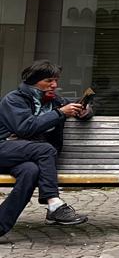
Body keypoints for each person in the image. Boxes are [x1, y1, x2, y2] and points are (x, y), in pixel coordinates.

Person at [0, 61, 91, 239]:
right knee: (45, 149)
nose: (54, 85)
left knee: (30, 171)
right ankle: (54, 203)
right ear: (33, 81)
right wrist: (60, 113)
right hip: (3, 147)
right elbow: (25, 128)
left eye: (56, 80)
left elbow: (84, 106)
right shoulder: (14, 100)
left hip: (21, 155)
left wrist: (85, 111)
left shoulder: (54, 100)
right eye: (49, 80)